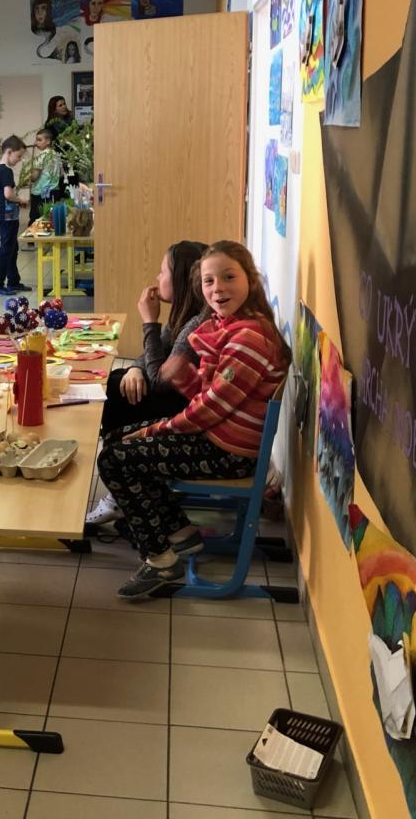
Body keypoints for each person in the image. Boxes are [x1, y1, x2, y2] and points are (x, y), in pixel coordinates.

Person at [96, 241, 288, 599]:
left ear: (251, 279)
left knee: (115, 457)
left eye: (229, 277)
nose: (218, 289)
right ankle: (181, 535)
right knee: (119, 440)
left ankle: (160, 560)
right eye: (209, 281)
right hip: (218, 437)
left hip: (228, 452)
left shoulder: (249, 336)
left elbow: (207, 409)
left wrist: (152, 431)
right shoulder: (230, 325)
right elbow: (195, 386)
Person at [85, 240, 206, 529]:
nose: (157, 278)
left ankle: (122, 489)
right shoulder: (183, 313)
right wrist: (134, 369)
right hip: (178, 399)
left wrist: (149, 322)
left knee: (114, 393)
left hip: (185, 412)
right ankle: (122, 488)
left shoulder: (194, 324)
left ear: (181, 280)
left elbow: (159, 382)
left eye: (163, 272)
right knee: (118, 380)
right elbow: (154, 355)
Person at [0, 136, 30, 297]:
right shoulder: (6, 171)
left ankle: (13, 281)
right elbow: (8, 194)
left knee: (12, 249)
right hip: (7, 218)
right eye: (18, 156)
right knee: (6, 250)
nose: (19, 160)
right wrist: (21, 200)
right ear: (9, 152)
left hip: (3, 216)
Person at [22, 126, 63, 235]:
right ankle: (48, 238)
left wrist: (27, 180)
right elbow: (61, 173)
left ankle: (32, 238)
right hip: (53, 191)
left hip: (39, 192)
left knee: (35, 217)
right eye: (36, 140)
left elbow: (35, 175)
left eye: (39, 140)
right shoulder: (56, 155)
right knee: (50, 217)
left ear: (48, 141)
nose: (36, 143)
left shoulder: (41, 155)